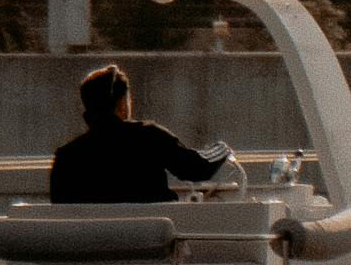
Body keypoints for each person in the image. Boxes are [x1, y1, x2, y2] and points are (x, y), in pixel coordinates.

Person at [47, 64, 233, 206]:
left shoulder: (66, 156)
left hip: (90, 251)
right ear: (121, 105)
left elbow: (60, 208)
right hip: (151, 249)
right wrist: (222, 149)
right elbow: (196, 168)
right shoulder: (148, 136)